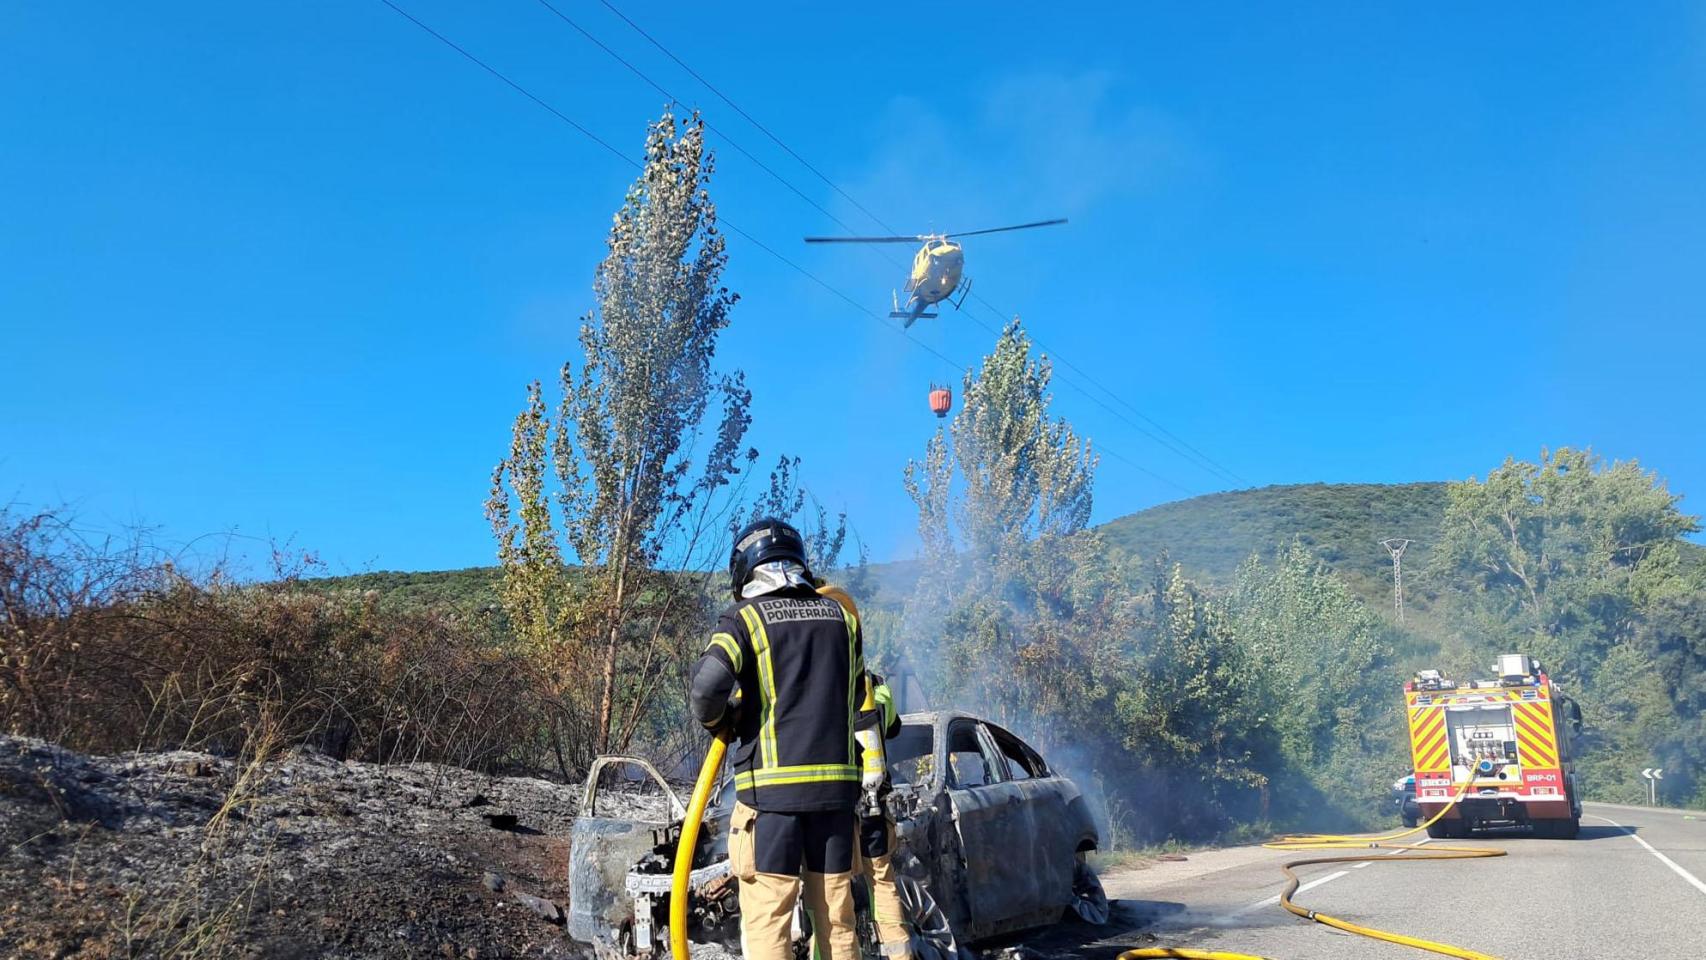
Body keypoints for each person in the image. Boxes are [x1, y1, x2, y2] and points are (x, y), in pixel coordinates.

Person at [689, 519, 862, 960]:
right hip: (836, 802)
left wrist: (723, 723)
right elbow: (859, 697)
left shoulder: (745, 620)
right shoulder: (843, 619)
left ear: (746, 569)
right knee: (838, 924)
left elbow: (707, 689)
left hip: (772, 803)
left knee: (770, 923)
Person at [816, 582, 914, 960]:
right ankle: (899, 954)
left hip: (835, 809)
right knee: (882, 883)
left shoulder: (819, 689)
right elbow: (892, 726)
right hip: (874, 807)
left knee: (830, 898)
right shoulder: (874, 685)